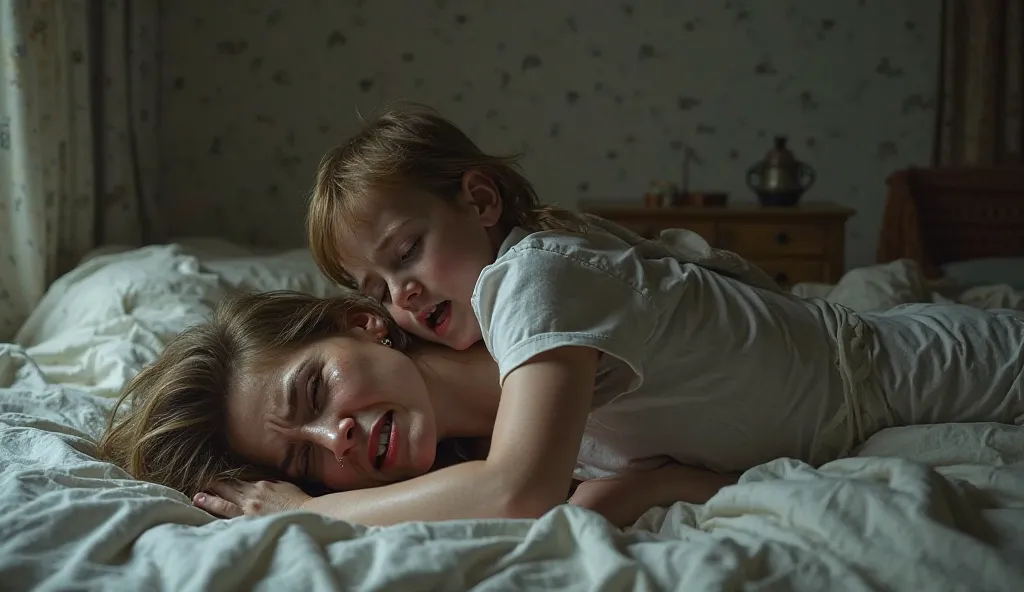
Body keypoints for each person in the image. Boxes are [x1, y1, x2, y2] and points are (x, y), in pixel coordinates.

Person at [282, 103, 1022, 523]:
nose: (400, 296)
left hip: (892, 371)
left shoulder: (531, 278)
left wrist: (301, 516)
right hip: (849, 406)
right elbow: (699, 463)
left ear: (479, 202)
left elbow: (515, 490)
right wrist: (646, 487)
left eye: (406, 251)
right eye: (376, 289)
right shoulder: (524, 347)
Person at [97, 290, 733, 528]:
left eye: (314, 391)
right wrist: (664, 486)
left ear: (365, 322)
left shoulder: (538, 312)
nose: (333, 437)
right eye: (303, 458)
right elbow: (605, 495)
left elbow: (519, 491)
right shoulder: (470, 475)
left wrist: (313, 512)